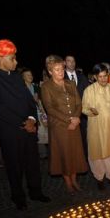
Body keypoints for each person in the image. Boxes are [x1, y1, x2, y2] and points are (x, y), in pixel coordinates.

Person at [0, 39, 50, 209]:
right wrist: (22, 122)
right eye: (12, 58)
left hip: (29, 127)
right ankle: (18, 196)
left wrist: (32, 119)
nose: (16, 61)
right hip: (10, 130)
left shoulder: (17, 77)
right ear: (1, 58)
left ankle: (36, 191)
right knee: (14, 165)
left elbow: (29, 101)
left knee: (32, 162)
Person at [40, 56, 88, 193]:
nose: (60, 72)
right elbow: (50, 109)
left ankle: (74, 179)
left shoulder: (70, 84)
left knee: (75, 152)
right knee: (65, 154)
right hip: (60, 126)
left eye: (62, 69)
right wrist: (69, 120)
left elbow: (79, 103)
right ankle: (68, 182)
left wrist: (77, 117)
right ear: (50, 71)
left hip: (75, 123)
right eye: (56, 70)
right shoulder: (46, 87)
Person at [82, 63, 110, 190]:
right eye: (100, 76)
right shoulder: (89, 90)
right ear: (95, 77)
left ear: (108, 75)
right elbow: (84, 108)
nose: (103, 79)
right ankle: (99, 178)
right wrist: (91, 111)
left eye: (105, 76)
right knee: (98, 152)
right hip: (96, 127)